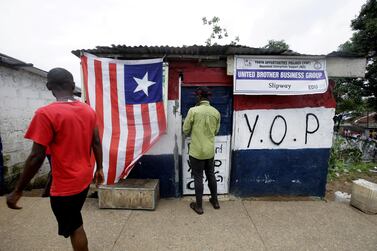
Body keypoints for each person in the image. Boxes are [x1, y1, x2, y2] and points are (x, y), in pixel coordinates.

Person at [6, 68, 104, 251]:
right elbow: (96, 142)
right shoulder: (88, 111)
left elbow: (36, 156)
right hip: (83, 179)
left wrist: (17, 190)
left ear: (49, 86)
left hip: (65, 187)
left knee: (75, 227)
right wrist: (99, 168)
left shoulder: (45, 114)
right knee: (75, 220)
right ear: (73, 86)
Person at [183, 87, 221, 215]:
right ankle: (215, 201)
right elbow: (216, 131)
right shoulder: (216, 112)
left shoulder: (193, 111)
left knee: (198, 177)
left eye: (196, 96)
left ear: (199, 97)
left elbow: (185, 130)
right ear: (208, 98)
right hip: (209, 151)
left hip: (196, 151)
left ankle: (199, 207)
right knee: (211, 174)